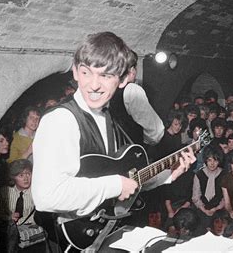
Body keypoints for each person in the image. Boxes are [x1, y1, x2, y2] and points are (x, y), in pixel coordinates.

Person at [31, 32, 196, 249]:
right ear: (75, 72)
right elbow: (46, 197)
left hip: (105, 232)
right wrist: (114, 185)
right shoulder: (61, 121)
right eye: (86, 72)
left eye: (106, 75)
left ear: (121, 79)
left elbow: (125, 179)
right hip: (73, 240)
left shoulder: (109, 117)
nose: (94, 85)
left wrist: (167, 175)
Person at [110, 49, 164, 147]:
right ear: (132, 70)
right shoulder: (132, 90)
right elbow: (156, 131)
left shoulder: (106, 88)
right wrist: (143, 142)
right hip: (131, 154)